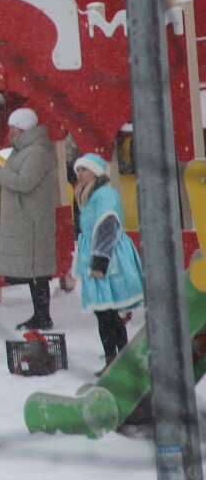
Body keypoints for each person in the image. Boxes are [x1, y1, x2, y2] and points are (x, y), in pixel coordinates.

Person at [72, 153, 144, 372]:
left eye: (84, 169)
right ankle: (117, 358)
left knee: (108, 313)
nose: (80, 174)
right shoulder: (90, 195)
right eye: (78, 170)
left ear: (95, 171)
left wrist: (99, 260)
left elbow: (108, 226)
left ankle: (118, 359)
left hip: (108, 257)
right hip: (97, 255)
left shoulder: (104, 194)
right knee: (106, 313)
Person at [0, 107, 57, 330]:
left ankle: (43, 316)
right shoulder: (22, 151)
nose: (10, 131)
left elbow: (25, 182)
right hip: (26, 219)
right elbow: (16, 180)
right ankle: (40, 314)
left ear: (24, 127)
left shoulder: (36, 152)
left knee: (37, 270)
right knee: (32, 270)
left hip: (33, 221)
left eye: (13, 126)